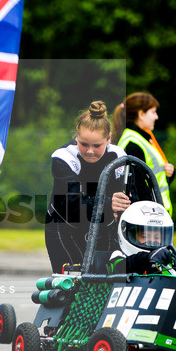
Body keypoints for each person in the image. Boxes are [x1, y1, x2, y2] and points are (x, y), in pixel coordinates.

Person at [44, 101, 127, 275]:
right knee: (70, 287)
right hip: (64, 226)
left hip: (100, 224)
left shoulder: (118, 155)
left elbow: (125, 197)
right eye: (84, 144)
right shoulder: (63, 157)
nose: (90, 151)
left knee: (103, 283)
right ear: (76, 137)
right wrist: (108, 203)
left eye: (97, 145)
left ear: (109, 139)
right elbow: (72, 204)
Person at [113, 92, 175, 216]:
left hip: (155, 213)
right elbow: (139, 187)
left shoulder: (143, 139)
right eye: (153, 112)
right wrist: (153, 216)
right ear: (141, 114)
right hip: (149, 215)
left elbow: (154, 177)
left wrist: (170, 174)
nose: (156, 117)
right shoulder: (132, 143)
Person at [108, 201, 176, 275]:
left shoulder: (166, 264)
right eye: (145, 236)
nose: (152, 241)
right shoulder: (118, 256)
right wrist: (148, 258)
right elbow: (118, 268)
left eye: (156, 237)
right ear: (131, 234)